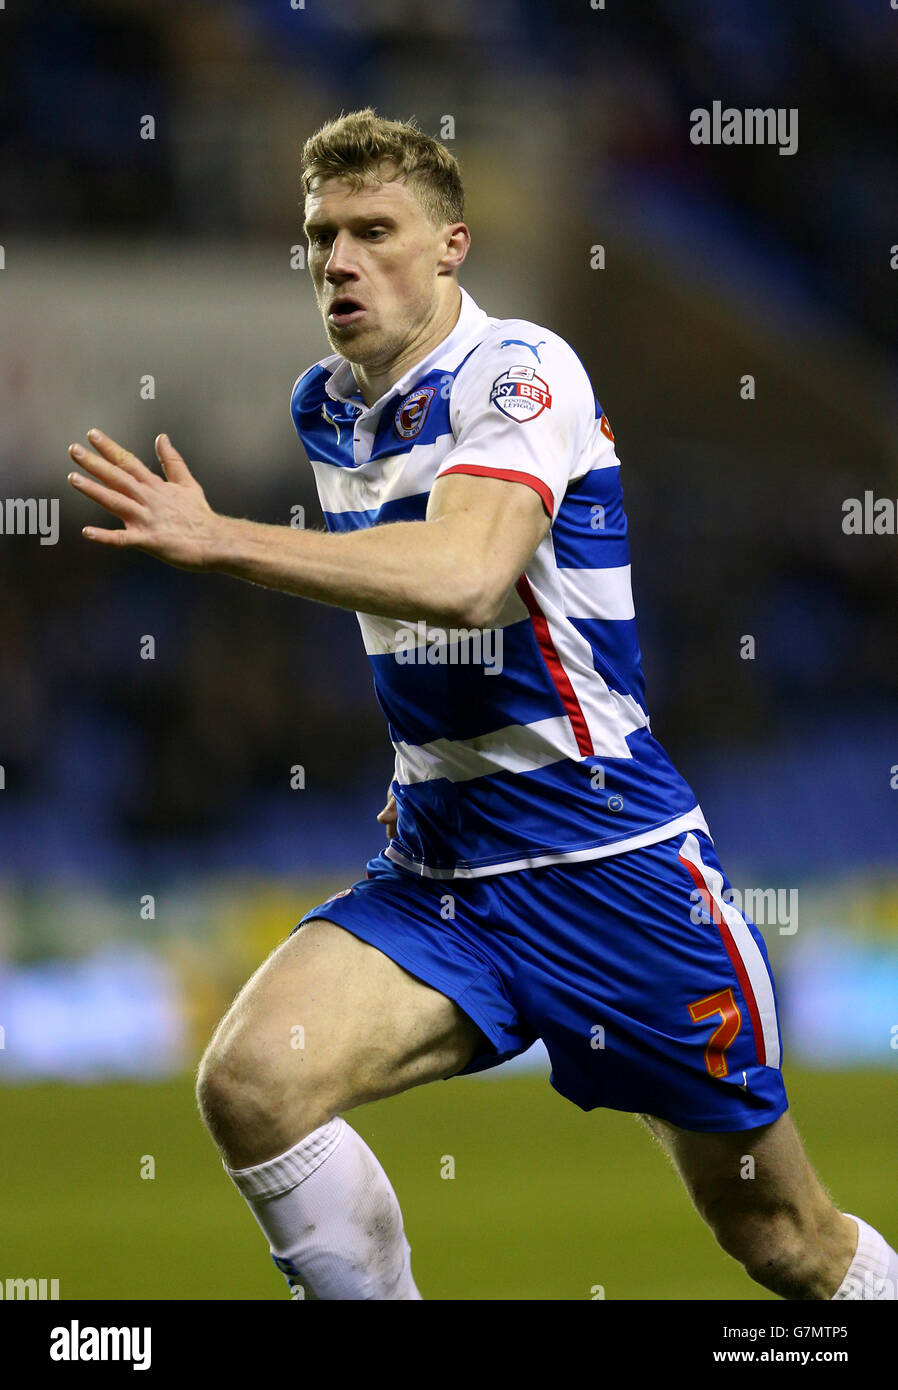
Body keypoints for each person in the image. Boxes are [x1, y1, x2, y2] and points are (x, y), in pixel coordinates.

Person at [67, 108, 896, 1302]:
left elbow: (464, 578)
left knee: (780, 1237)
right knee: (253, 1085)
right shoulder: (326, 405)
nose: (340, 261)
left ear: (452, 246)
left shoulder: (521, 370)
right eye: (320, 238)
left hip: (610, 867)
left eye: (374, 232)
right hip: (444, 868)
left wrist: (220, 541)